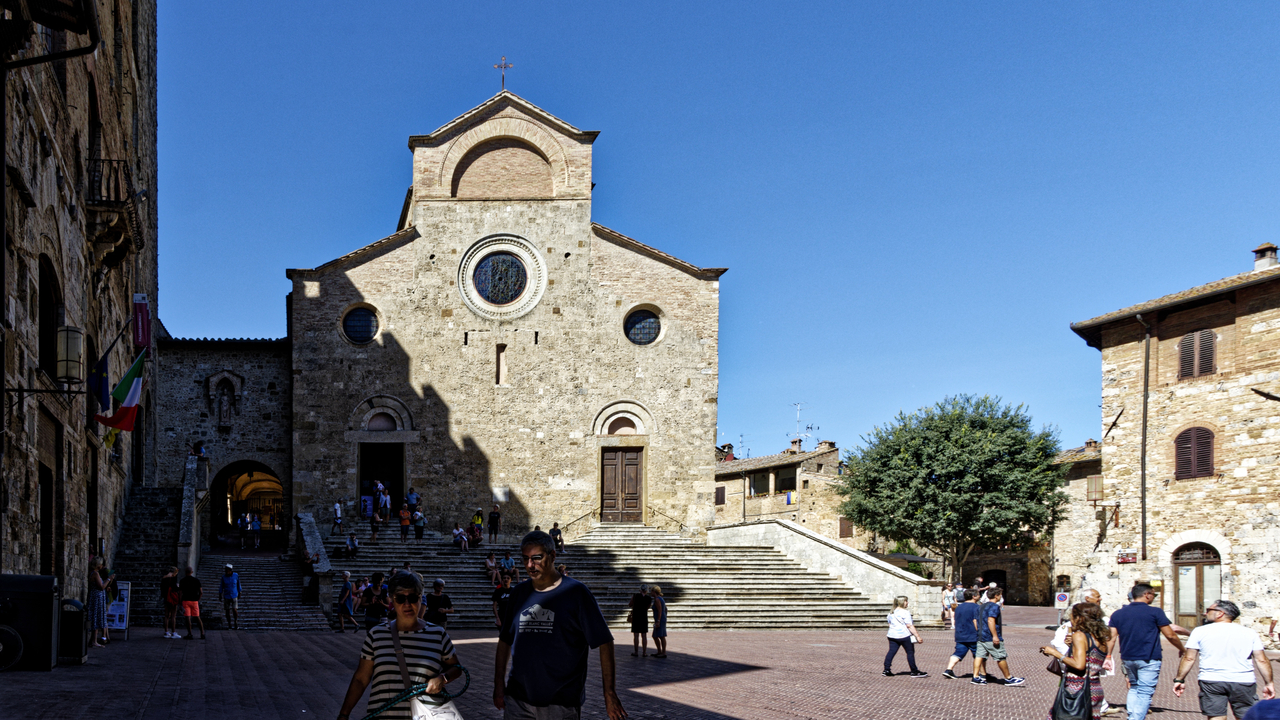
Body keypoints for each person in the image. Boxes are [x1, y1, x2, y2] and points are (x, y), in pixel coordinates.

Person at [494, 530, 626, 719]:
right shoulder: (518, 594)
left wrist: (609, 693)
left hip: (560, 703)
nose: (530, 565)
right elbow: (505, 641)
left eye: (537, 558)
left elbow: (604, 642)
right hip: (518, 700)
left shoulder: (576, 593)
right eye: (525, 559)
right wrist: (499, 685)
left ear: (553, 555)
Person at [336, 571, 464, 720]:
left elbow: (456, 668)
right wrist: (344, 714)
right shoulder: (376, 635)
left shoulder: (438, 634)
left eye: (413, 598)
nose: (407, 604)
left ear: (420, 598)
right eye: (401, 598)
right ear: (391, 600)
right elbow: (361, 679)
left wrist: (443, 678)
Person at [1174, 599, 1275, 720]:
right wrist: (1269, 683)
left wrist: (1179, 679)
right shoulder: (1250, 633)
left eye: (1209, 610)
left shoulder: (1199, 631)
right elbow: (1261, 660)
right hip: (1243, 681)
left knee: (1216, 717)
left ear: (1220, 613)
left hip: (1211, 680)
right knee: (1245, 716)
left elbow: (1189, 658)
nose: (1205, 613)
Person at [1108, 583, 1187, 720]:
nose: (1154, 597)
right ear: (1147, 595)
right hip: (1149, 657)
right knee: (1145, 692)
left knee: (1134, 687)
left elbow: (1111, 638)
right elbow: (1170, 635)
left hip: (1127, 657)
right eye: (1154, 594)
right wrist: (1182, 649)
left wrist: (1108, 655)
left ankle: (1133, 716)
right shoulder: (1155, 612)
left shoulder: (1117, 614)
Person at [1040, 603, 1109, 720]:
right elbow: (1091, 660)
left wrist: (1055, 653)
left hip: (1076, 689)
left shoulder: (1079, 636)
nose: (1070, 619)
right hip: (1094, 689)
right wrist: (1072, 647)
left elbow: (1079, 665)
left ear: (1080, 618)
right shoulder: (1101, 637)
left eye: (1072, 616)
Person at [975, 587, 1023, 685]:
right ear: (996, 596)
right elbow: (991, 620)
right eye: (1000, 595)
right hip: (989, 637)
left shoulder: (981, 606)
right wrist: (995, 636)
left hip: (981, 636)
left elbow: (975, 620)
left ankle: (976, 677)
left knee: (979, 656)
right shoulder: (994, 606)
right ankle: (1008, 678)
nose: (1001, 597)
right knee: (1000, 657)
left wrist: (979, 631)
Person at [883, 595, 927, 677]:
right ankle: (914, 671)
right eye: (906, 601)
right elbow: (909, 625)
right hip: (904, 635)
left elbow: (890, 624)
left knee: (891, 652)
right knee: (910, 652)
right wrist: (917, 636)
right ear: (902, 602)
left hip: (892, 635)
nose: (907, 603)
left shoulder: (891, 613)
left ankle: (886, 669)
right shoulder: (905, 612)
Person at [943, 589, 980, 679]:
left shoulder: (958, 607)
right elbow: (976, 621)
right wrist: (979, 632)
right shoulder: (977, 607)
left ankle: (949, 669)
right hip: (972, 635)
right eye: (978, 594)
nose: (979, 596)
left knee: (958, 653)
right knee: (979, 655)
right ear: (974, 596)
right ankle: (981, 674)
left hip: (960, 634)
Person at [87, 557, 114, 647]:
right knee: (96, 618)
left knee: (96, 618)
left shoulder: (93, 573)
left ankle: (93, 640)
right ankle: (94, 641)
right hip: (96, 599)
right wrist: (109, 579)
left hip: (96, 598)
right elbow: (101, 586)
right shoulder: (95, 574)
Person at [180, 566, 206, 640]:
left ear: (185, 572)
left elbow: (180, 593)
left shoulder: (182, 580)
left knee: (187, 618)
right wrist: (198, 599)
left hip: (186, 601)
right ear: (192, 572)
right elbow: (201, 592)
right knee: (197, 617)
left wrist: (180, 602)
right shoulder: (196, 580)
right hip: (194, 601)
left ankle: (190, 633)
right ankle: (202, 633)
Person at [629, 584, 651, 657]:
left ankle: (636, 652)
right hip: (644, 617)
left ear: (640, 589)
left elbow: (630, 604)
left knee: (636, 635)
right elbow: (648, 607)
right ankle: (644, 652)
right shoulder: (649, 598)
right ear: (647, 590)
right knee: (644, 635)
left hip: (636, 617)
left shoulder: (635, 596)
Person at [219, 563, 243, 631]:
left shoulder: (236, 575)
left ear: (230, 570)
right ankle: (229, 624)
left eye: (227, 570)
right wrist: (220, 594)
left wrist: (240, 592)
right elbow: (221, 586)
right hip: (226, 596)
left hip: (234, 595)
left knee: (234, 609)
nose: (226, 571)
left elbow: (238, 584)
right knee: (227, 610)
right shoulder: (223, 577)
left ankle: (235, 622)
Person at [160, 566, 181, 639]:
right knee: (173, 616)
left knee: (166, 616)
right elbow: (175, 589)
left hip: (166, 598)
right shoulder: (172, 579)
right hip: (172, 599)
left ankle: (166, 632)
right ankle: (173, 632)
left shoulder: (164, 578)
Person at [650, 585, 668, 658]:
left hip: (659, 619)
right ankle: (660, 651)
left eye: (651, 591)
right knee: (660, 636)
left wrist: (658, 620)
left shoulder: (657, 599)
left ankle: (662, 652)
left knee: (659, 636)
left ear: (654, 592)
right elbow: (666, 609)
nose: (650, 593)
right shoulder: (661, 599)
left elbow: (660, 610)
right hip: (662, 618)